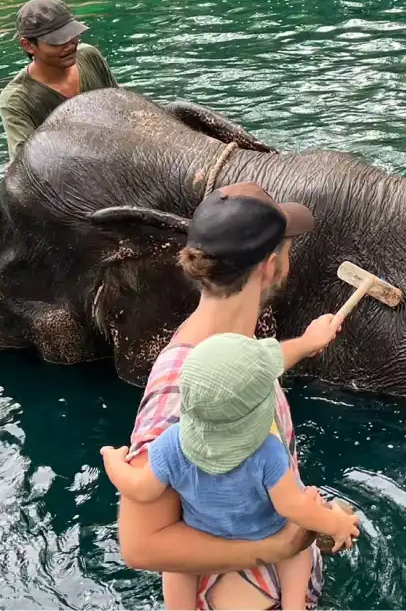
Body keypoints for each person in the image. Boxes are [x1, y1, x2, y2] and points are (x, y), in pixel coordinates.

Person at [107, 182, 358, 611]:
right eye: (287, 249)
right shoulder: (179, 385)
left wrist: (306, 344)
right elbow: (140, 545)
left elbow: (263, 363)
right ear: (271, 266)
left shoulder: (230, 355)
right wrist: (280, 546)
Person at [101, 328, 359, 611]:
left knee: (176, 568)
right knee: (298, 549)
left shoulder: (171, 444)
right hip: (265, 532)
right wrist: (335, 524)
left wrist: (113, 461)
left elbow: (138, 487)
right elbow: (293, 507)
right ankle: (293, 605)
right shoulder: (268, 453)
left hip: (205, 537)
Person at [0, 0, 118, 160]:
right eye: (57, 41)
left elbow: (120, 107)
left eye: (72, 35)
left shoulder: (90, 56)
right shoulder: (17, 99)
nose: (69, 46)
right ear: (28, 45)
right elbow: (25, 163)